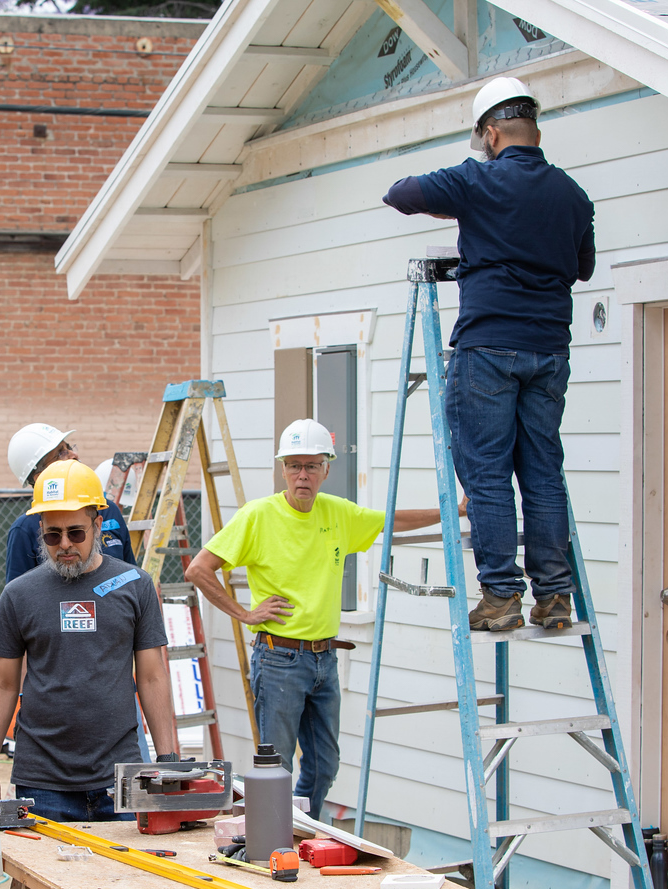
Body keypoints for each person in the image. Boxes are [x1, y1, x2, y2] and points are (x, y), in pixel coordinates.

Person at [0, 459, 209, 889]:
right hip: (44, 779)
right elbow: (3, 684)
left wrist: (172, 760)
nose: (63, 546)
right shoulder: (19, 595)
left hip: (120, 776)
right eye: (50, 535)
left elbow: (153, 674)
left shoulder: (132, 587)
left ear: (98, 522)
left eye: (74, 533)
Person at [382, 75, 595, 632]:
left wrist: (463, 202)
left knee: (488, 475)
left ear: (491, 133)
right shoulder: (572, 194)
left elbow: (400, 193)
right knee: (543, 473)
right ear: (536, 129)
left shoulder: (477, 180)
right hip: (549, 351)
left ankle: (501, 598)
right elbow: (583, 267)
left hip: (490, 349)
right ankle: (554, 597)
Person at [185, 419, 449, 820]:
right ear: (283, 470)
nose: (302, 475)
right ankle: (270, 840)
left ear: (327, 468)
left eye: (311, 465)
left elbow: (391, 519)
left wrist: (452, 510)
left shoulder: (338, 514)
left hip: (325, 660)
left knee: (324, 766)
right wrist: (246, 614)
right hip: (278, 661)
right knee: (276, 769)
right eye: (293, 465)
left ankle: (299, 828)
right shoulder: (258, 516)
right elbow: (198, 570)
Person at [4, 423, 134, 582]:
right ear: (40, 477)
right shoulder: (25, 529)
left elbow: (131, 579)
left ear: (98, 523)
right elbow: (18, 598)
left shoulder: (107, 510)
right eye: (60, 453)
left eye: (69, 447)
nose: (74, 455)